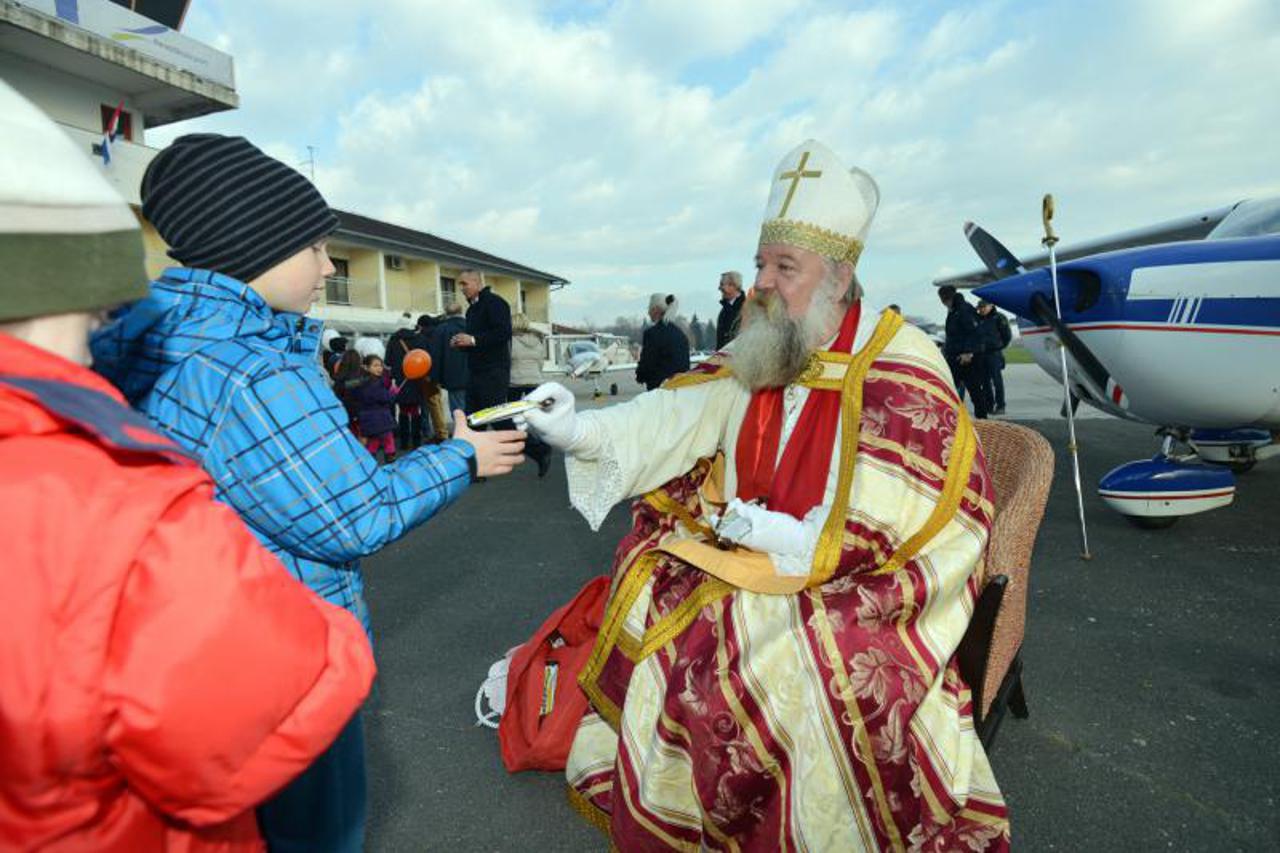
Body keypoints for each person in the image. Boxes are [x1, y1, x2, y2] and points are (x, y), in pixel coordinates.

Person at [520, 140, 1008, 850]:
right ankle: (693, 817)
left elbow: (897, 509)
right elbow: (675, 415)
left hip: (866, 576)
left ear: (839, 276)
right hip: (758, 556)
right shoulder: (767, 344)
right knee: (660, 603)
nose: (764, 284)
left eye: (786, 267)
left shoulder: (900, 358)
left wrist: (776, 541)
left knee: (802, 664)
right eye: (760, 265)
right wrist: (579, 429)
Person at [89, 133, 526, 853]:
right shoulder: (248, 368)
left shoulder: (149, 335)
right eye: (314, 246)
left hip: (190, 659)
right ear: (253, 246)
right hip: (281, 671)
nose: (328, 265)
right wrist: (463, 458)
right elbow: (356, 512)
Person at [0, 81, 375, 851]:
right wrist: (337, 635)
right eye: (93, 320)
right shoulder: (114, 500)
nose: (331, 264)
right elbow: (280, 680)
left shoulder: (149, 360)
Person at [451, 269, 511, 418]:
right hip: (475, 372)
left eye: (465, 284)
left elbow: (503, 333)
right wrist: (461, 344)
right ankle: (472, 442)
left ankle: (525, 441)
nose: (462, 288)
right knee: (473, 418)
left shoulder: (495, 302)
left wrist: (472, 340)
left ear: (477, 283)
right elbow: (476, 343)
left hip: (493, 372)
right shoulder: (471, 310)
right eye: (460, 284)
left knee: (496, 417)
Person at [508, 312, 554, 477]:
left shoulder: (510, 341)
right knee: (536, 415)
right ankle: (544, 440)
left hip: (514, 382)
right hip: (535, 380)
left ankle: (526, 442)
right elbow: (540, 362)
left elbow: (508, 361)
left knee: (510, 415)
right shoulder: (537, 340)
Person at [938, 284, 992, 419]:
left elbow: (975, 332)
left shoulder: (964, 310)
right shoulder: (954, 310)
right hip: (956, 357)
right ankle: (952, 418)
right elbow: (954, 335)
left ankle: (982, 420)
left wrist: (968, 352)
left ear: (945, 299)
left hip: (967, 359)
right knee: (951, 389)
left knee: (974, 391)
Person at [634, 293, 690, 390]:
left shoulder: (652, 334)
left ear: (656, 309)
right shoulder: (681, 335)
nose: (648, 312)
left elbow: (647, 364)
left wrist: (640, 376)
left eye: (649, 308)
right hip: (679, 390)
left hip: (659, 390)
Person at [352, 354, 399, 462]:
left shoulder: (359, 381)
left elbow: (349, 386)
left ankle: (369, 465)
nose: (379, 368)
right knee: (388, 441)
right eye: (375, 365)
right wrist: (393, 392)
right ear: (366, 367)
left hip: (367, 419)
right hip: (379, 418)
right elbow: (385, 398)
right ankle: (390, 464)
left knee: (374, 441)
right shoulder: (374, 383)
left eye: (381, 365)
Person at [432, 298, 470, 419]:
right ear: (461, 311)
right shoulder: (471, 325)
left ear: (446, 313)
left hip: (453, 376)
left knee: (458, 412)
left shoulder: (441, 329)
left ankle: (462, 435)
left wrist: (435, 378)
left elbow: (436, 355)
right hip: (474, 375)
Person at [977, 299, 1011, 415]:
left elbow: (1007, 336)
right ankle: (989, 405)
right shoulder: (978, 319)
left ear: (991, 306)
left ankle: (1001, 406)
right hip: (982, 354)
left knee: (997, 381)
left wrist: (999, 346)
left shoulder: (999, 318)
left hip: (994, 354)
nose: (981, 309)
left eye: (984, 307)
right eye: (980, 308)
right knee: (985, 382)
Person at [716, 270, 745, 349]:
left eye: (722, 284)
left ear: (733, 285)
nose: (719, 288)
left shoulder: (747, 309)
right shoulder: (723, 311)